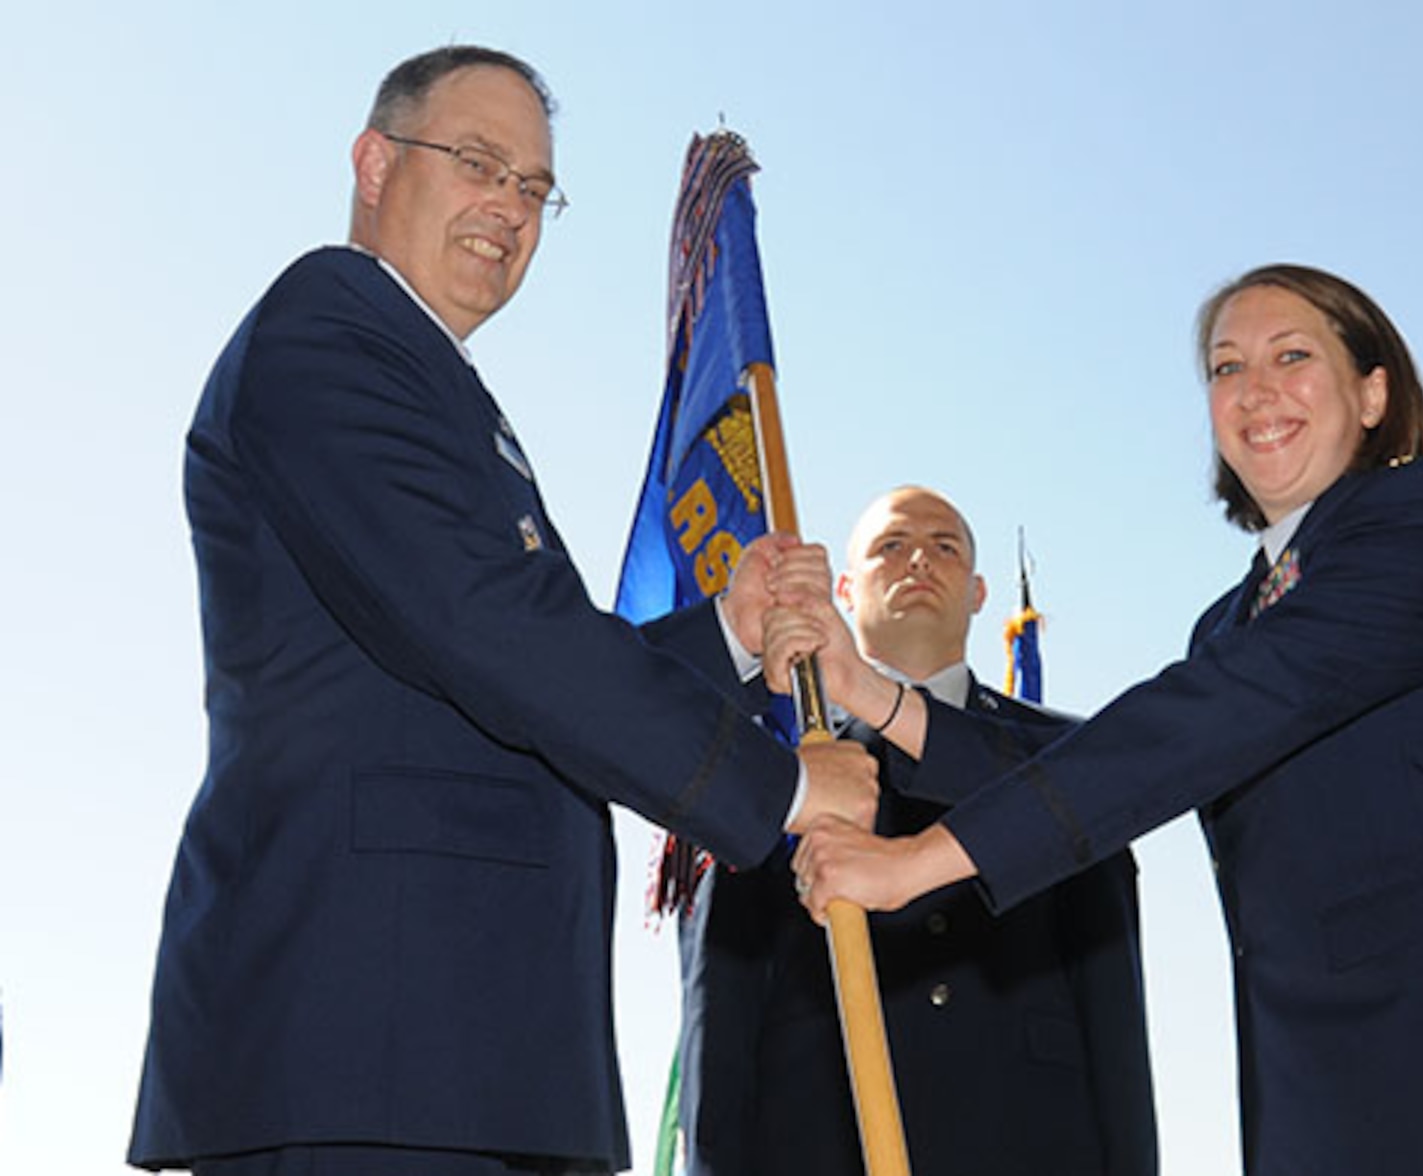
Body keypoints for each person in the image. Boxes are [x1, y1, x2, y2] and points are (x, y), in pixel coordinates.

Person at [127, 46, 876, 1176]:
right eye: (478, 162)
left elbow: (492, 660)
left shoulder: (433, 381)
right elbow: (490, 626)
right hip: (364, 1043)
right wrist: (770, 786)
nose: (509, 208)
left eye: (534, 187)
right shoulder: (327, 329)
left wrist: (724, 626)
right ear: (375, 163)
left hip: (468, 1052)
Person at [792, 266, 1423, 1175]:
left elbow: (1199, 724)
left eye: (1293, 356)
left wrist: (917, 863)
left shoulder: (1420, 521)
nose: (1256, 391)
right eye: (1225, 368)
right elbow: (1108, 763)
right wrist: (868, 692)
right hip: (1321, 1110)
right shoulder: (1228, 623)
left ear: (1373, 393)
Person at [671, 486, 1156, 1176]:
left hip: (1031, 1145)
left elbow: (1112, 1016)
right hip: (817, 1145)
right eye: (890, 546)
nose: (919, 560)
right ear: (843, 587)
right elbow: (721, 1012)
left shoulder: (1068, 757)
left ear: (980, 590)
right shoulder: (768, 763)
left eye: (945, 546)